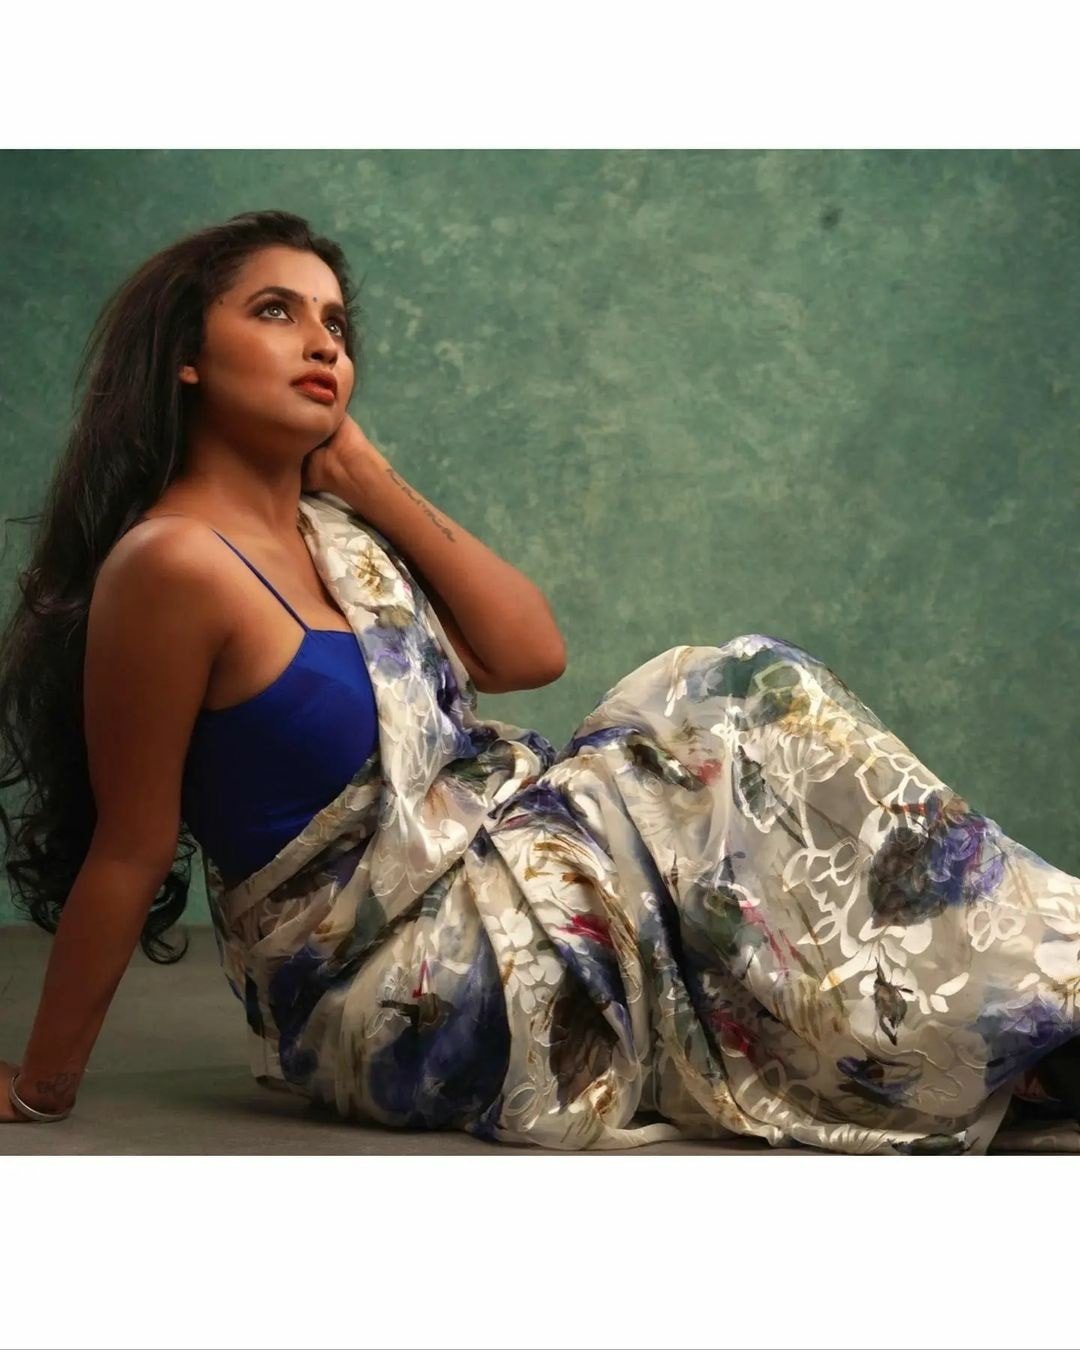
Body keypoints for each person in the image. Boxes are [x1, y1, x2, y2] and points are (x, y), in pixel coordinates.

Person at [0, 209, 1077, 1152]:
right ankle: (1042, 1020)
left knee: (743, 714)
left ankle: (1032, 1038)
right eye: (276, 312)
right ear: (186, 355)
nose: (322, 342)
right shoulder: (173, 564)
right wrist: (46, 1083)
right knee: (737, 700)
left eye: (335, 323)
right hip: (401, 984)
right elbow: (131, 845)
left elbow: (528, 652)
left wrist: (366, 475)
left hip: (510, 885)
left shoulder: (340, 542)